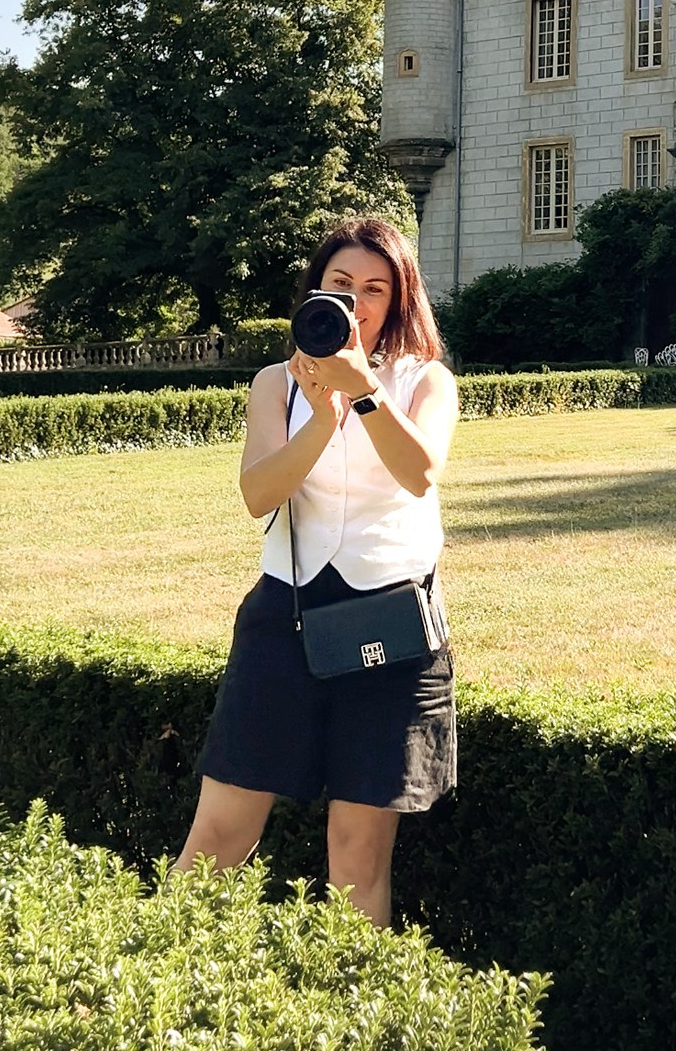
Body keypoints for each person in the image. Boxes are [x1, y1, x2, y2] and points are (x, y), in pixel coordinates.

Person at [175, 215, 460, 924]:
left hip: (388, 629)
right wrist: (323, 416)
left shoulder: (426, 382)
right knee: (216, 838)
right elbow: (258, 494)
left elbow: (420, 473)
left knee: (357, 855)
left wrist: (363, 391)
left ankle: (350, 992)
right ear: (315, 291)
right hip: (285, 618)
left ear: (398, 301)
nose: (355, 301)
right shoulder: (275, 383)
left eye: (375, 288)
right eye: (341, 282)